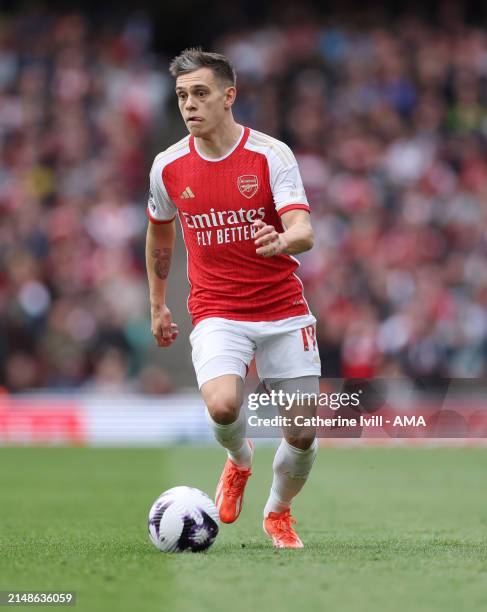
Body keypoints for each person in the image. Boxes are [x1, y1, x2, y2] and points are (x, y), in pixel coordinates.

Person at [145, 48, 321, 549]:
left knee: (303, 430)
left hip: (283, 309)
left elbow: (303, 229)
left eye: (200, 93)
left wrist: (284, 241)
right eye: (182, 96)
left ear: (229, 96)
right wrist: (159, 304)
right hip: (218, 309)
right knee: (223, 405)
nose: (189, 105)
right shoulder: (169, 166)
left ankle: (278, 511)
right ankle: (240, 461)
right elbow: (160, 234)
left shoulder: (270, 154)